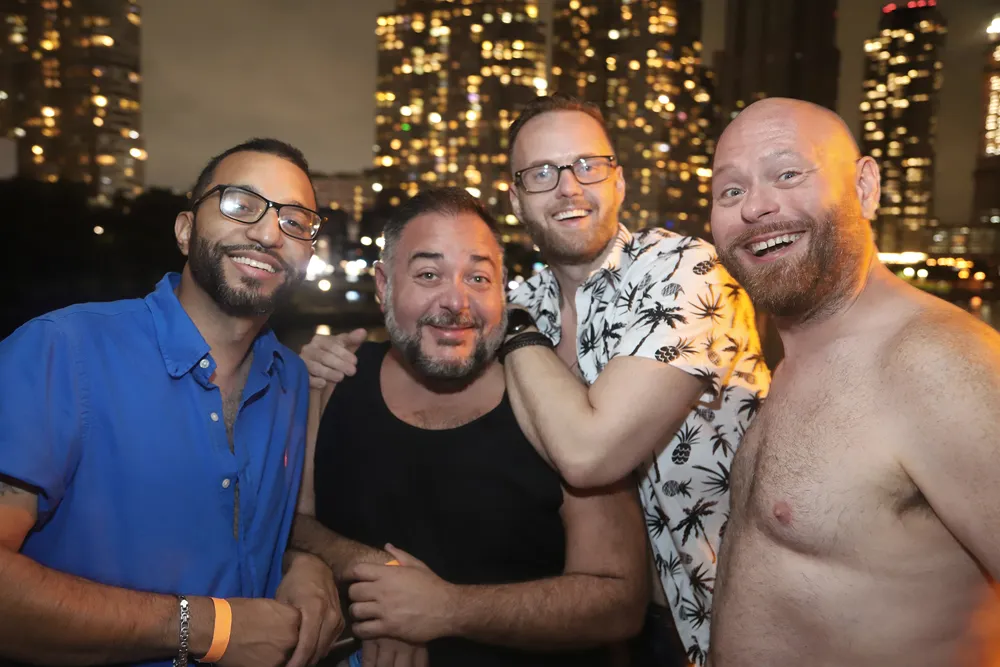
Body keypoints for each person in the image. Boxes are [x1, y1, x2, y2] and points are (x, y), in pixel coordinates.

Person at [0, 139, 343, 667]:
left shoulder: (291, 381)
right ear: (185, 231)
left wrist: (304, 565)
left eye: (295, 221)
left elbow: (260, 529)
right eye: (241, 204)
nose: (269, 233)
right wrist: (206, 628)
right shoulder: (62, 351)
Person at [291, 187, 649, 667]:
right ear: (383, 285)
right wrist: (375, 576)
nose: (456, 301)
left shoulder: (557, 405)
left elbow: (619, 602)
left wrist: (446, 609)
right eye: (428, 274)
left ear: (503, 291)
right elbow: (291, 525)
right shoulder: (332, 382)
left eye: (478, 277)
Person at [707, 97, 1000, 667]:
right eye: (730, 190)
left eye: (787, 174)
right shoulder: (795, 360)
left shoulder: (936, 362)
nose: (755, 207)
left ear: (865, 187)